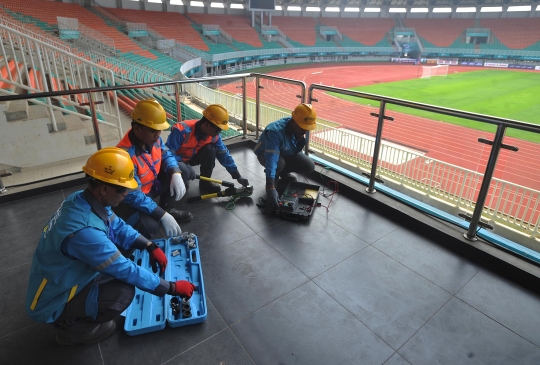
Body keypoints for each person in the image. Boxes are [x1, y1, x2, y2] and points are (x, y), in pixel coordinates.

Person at [25, 147, 196, 345]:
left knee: (120, 269)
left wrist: (149, 245)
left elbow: (117, 224)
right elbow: (124, 269)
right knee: (122, 294)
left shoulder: (81, 199)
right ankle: (73, 330)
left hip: (63, 274)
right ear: (104, 189)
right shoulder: (84, 232)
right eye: (123, 189)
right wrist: (171, 288)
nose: (126, 194)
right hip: (53, 298)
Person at [115, 98, 191, 239]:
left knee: (182, 169)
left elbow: (166, 154)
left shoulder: (154, 139)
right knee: (149, 227)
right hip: (134, 197)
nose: (158, 135)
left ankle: (168, 208)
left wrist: (175, 173)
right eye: (153, 131)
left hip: (150, 187)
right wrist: (160, 214)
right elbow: (132, 195)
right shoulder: (124, 155)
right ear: (137, 128)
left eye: (160, 130)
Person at [166, 104, 249, 193]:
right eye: (218, 130)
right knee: (180, 181)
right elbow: (169, 154)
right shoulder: (181, 130)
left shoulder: (214, 136)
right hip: (178, 160)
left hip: (193, 157)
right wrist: (184, 168)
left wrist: (237, 176)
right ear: (207, 125)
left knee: (211, 150)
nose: (219, 133)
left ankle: (204, 183)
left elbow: (223, 154)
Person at [253, 103, 317, 208]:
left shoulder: (301, 125)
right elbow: (271, 159)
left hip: (286, 151)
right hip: (266, 154)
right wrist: (270, 187)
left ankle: (283, 173)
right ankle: (274, 177)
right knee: (278, 163)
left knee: (309, 166)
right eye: (302, 127)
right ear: (294, 121)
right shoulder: (275, 132)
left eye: (307, 128)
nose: (304, 131)